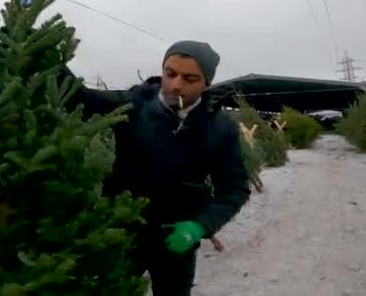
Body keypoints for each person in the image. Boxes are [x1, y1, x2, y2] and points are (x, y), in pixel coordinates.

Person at [61, 40, 251, 295]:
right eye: (170, 74)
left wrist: (200, 226)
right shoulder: (134, 103)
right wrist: (51, 61)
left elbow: (235, 190)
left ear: (206, 83)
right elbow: (81, 99)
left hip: (176, 241)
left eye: (189, 78)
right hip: (122, 232)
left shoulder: (219, 127)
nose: (176, 85)